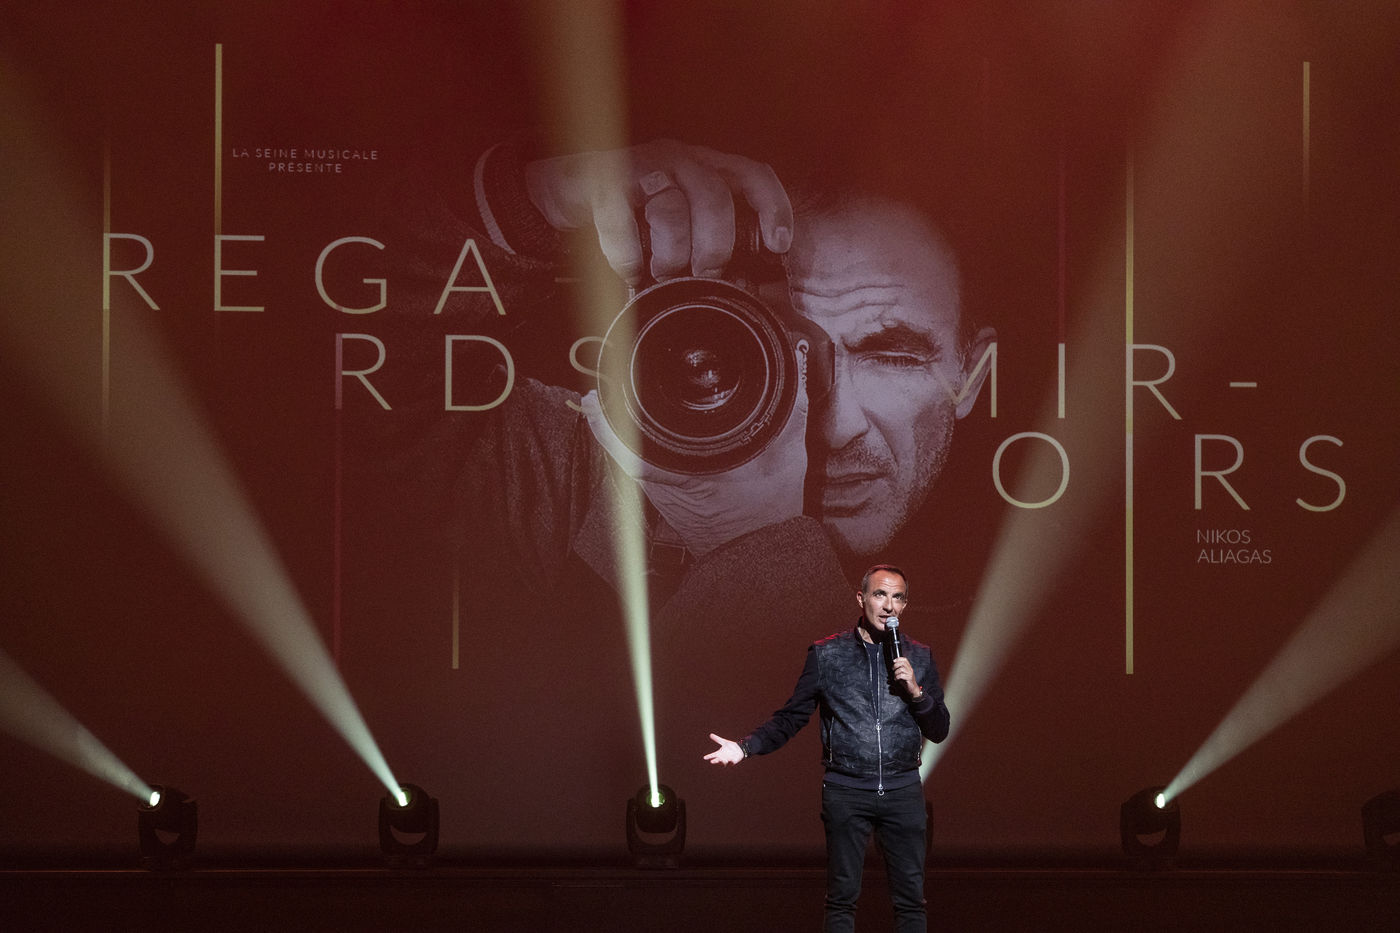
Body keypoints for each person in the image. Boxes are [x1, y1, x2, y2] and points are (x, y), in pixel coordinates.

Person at [455, 140, 996, 607]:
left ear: (971, 374)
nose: (836, 428)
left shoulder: (1027, 613)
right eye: (783, 355)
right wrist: (522, 205)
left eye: (894, 358)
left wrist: (748, 544)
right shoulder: (565, 472)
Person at [705, 564, 949, 932]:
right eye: (880, 594)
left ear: (904, 606)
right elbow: (791, 717)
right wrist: (744, 748)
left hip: (903, 792)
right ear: (861, 598)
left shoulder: (919, 656)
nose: (888, 606)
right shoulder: (827, 654)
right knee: (841, 900)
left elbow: (939, 729)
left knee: (911, 902)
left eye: (897, 598)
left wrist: (916, 692)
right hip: (846, 792)